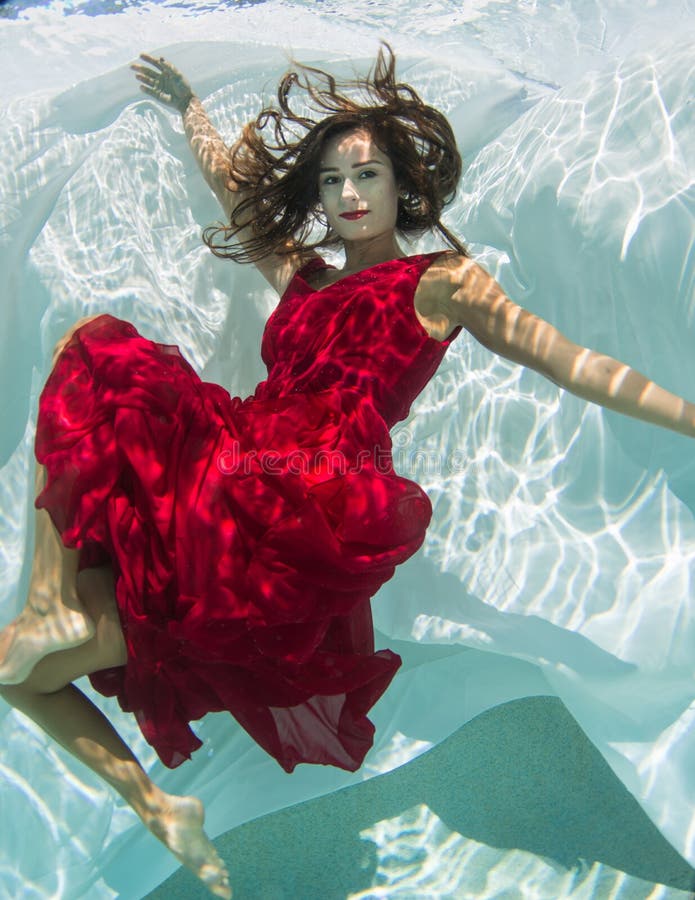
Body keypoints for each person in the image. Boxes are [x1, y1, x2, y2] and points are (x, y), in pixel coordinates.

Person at [1, 45, 694, 898]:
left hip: (307, 487)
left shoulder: (440, 282)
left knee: (94, 346)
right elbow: (234, 188)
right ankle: (153, 804)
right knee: (16, 670)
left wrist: (689, 418)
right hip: (240, 466)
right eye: (330, 181)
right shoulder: (304, 280)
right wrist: (189, 111)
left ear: (404, 183)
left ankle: (51, 600)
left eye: (365, 174)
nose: (348, 196)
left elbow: (570, 364)